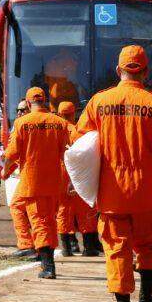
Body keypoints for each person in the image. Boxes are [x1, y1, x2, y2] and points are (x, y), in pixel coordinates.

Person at [76, 45, 152, 302]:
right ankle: (146, 301)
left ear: (118, 70)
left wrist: (81, 182)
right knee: (149, 245)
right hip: (146, 191)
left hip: (112, 194)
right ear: (145, 72)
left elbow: (81, 145)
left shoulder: (99, 102)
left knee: (117, 249)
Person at [2, 87, 69, 279]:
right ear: (45, 101)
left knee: (40, 223)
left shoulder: (22, 123)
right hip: (54, 183)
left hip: (32, 183)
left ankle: (48, 266)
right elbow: (67, 154)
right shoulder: (59, 123)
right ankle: (44, 258)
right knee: (49, 222)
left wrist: (4, 171)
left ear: (29, 103)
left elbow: (11, 154)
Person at [56, 101, 101, 257]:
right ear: (74, 113)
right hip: (76, 173)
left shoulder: (56, 129)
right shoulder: (78, 132)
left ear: (59, 113)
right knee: (85, 209)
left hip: (60, 174)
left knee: (63, 211)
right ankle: (89, 247)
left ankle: (66, 248)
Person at [9, 100, 38, 259]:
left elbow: (13, 152)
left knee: (18, 206)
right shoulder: (22, 125)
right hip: (32, 174)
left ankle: (28, 245)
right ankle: (39, 246)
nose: (19, 113)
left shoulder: (24, 126)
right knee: (37, 212)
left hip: (31, 176)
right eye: (18, 110)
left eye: (23, 110)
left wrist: (6, 167)